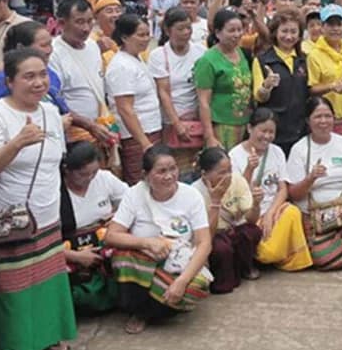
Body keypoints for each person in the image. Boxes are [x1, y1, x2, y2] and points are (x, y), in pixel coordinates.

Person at [0, 48, 77, 350]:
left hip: (47, 216)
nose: (38, 82)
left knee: (47, 284)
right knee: (16, 291)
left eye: (43, 74)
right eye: (28, 76)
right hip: (12, 221)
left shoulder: (50, 112)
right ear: (9, 81)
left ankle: (47, 338)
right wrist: (16, 144)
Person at [105, 146, 212, 334]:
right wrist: (147, 243)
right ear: (146, 175)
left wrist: (182, 281)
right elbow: (111, 235)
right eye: (161, 171)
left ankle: (161, 308)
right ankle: (140, 312)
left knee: (194, 288)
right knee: (122, 258)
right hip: (145, 258)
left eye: (173, 169)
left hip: (178, 260)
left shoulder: (191, 196)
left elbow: (204, 243)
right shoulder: (135, 194)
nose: (169, 176)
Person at [284, 97, 342, 270]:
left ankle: (338, 244)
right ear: (308, 121)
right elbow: (293, 194)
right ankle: (337, 246)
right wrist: (310, 178)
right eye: (318, 117)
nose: (323, 121)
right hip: (314, 214)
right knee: (325, 260)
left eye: (328, 116)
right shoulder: (299, 149)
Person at [228, 109, 313, 272]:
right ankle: (275, 254)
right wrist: (249, 169)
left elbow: (282, 189)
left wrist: (270, 213)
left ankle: (287, 255)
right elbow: (237, 193)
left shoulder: (277, 152)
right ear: (250, 128)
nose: (267, 136)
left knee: (293, 212)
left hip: (273, 210)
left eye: (271, 132)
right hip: (249, 214)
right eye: (263, 131)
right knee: (267, 253)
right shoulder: (235, 155)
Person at [60, 141, 126, 314]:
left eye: (94, 172)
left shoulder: (104, 178)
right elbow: (44, 241)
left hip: (105, 241)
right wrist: (76, 256)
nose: (89, 178)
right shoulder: (55, 191)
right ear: (67, 170)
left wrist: (118, 216)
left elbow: (132, 202)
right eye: (82, 174)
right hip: (69, 250)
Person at [192, 147, 263, 292]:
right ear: (205, 174)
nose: (228, 176)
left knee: (252, 232)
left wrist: (256, 205)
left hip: (233, 228)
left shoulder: (237, 180)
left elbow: (250, 220)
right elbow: (207, 235)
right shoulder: (195, 192)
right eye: (222, 173)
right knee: (220, 248)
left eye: (230, 170)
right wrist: (216, 200)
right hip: (213, 233)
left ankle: (244, 267)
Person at [49, 0, 116, 147]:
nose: (86, 28)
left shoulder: (93, 46)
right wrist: (88, 125)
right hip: (75, 135)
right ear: (62, 23)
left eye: (90, 21)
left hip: (101, 127)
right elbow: (56, 101)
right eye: (79, 22)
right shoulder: (53, 54)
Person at [105, 14, 162, 183]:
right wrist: (144, 143)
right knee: (140, 181)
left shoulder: (137, 59)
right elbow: (125, 108)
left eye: (147, 34)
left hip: (151, 129)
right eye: (141, 35)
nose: (146, 39)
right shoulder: (121, 66)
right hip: (137, 136)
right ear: (125, 37)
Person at [148, 8, 206, 159]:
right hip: (172, 121)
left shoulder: (201, 51)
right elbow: (163, 92)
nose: (186, 32)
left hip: (197, 118)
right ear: (168, 31)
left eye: (188, 28)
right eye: (180, 29)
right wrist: (177, 124)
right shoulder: (158, 55)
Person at [306, 5, 342, 149]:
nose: (335, 29)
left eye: (339, 24)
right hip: (326, 121)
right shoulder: (315, 55)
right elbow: (311, 88)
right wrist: (331, 87)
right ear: (322, 28)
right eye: (330, 25)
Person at [195, 9, 253, 150]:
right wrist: (209, 136)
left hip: (245, 123)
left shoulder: (242, 53)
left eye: (239, 30)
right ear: (218, 33)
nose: (237, 34)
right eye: (231, 30)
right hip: (221, 126)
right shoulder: (208, 60)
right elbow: (203, 102)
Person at [253, 9, 308, 154]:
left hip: (300, 130)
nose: (289, 36)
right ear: (275, 33)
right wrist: (266, 86)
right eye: (284, 31)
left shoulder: (304, 60)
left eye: (293, 32)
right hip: (274, 132)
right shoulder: (263, 60)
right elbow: (259, 97)